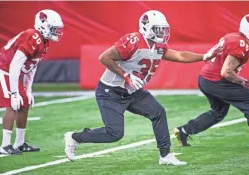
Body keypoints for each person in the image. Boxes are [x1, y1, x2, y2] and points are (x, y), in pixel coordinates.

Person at [64, 10, 216, 165]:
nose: (162, 33)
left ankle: (165, 155)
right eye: (158, 29)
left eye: (164, 29)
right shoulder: (133, 41)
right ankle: (75, 138)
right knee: (114, 134)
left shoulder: (159, 46)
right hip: (111, 92)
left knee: (158, 112)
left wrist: (204, 56)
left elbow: (179, 56)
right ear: (146, 27)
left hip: (132, 92)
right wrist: (125, 75)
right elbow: (104, 57)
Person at [174, 14, 249, 147]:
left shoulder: (233, 37)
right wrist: (244, 82)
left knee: (219, 112)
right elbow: (226, 72)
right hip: (216, 80)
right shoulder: (240, 43)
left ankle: (184, 130)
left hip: (205, 79)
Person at [0, 9, 64, 155]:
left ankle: (20, 143)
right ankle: (4, 145)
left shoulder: (44, 41)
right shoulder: (32, 36)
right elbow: (15, 64)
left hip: (14, 70)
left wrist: (28, 90)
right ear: (44, 25)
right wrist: (15, 92)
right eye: (54, 29)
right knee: (13, 104)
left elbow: (31, 66)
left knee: (24, 103)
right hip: (4, 68)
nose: (57, 32)